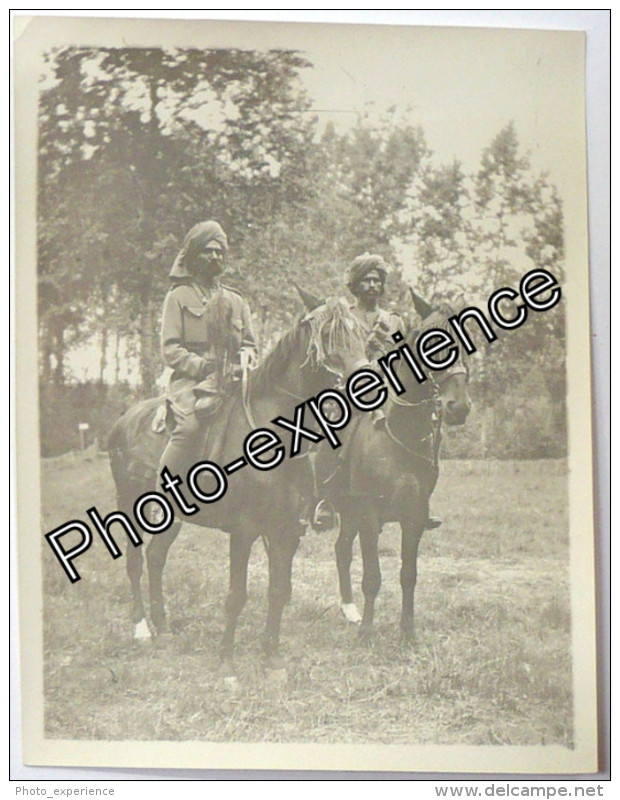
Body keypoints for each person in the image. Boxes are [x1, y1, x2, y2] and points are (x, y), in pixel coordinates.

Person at [158, 220, 257, 480]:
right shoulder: (178, 297)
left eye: (219, 252)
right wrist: (203, 366)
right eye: (207, 251)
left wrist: (246, 360)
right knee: (189, 427)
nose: (214, 257)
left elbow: (249, 343)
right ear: (194, 256)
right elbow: (171, 348)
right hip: (191, 381)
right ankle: (162, 496)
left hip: (233, 379)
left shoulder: (236, 300)